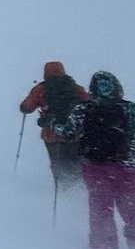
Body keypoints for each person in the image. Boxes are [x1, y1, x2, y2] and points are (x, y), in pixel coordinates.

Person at [55, 71, 135, 249]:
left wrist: (54, 125)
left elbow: (68, 132)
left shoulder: (83, 109)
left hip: (95, 167)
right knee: (132, 208)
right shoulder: (130, 109)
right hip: (129, 166)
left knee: (101, 209)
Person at [19, 61, 90, 189]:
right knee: (75, 159)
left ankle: (62, 186)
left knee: (57, 160)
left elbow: (27, 108)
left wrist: (24, 106)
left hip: (51, 134)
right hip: (74, 132)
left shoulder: (40, 89)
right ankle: (79, 185)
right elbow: (88, 101)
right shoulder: (75, 87)